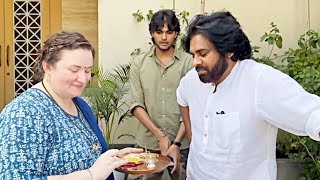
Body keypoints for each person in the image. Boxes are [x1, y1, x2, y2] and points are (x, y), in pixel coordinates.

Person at [176, 11, 320, 180]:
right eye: (193, 55)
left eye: (203, 54)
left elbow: (312, 113)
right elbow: (182, 97)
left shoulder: (260, 80)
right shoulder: (194, 79)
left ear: (229, 50)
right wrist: (194, 138)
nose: (195, 62)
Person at [0, 31, 142, 180]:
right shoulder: (24, 114)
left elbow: (89, 154)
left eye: (87, 71)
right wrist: (90, 175)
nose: (83, 79)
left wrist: (113, 159)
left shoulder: (79, 104)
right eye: (74, 70)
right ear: (48, 67)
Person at [129, 9, 192, 180]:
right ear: (152, 33)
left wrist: (176, 142)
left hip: (182, 144)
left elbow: (192, 105)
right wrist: (160, 136)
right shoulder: (138, 63)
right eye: (159, 32)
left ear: (176, 34)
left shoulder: (189, 63)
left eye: (169, 32)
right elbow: (136, 105)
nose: (164, 37)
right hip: (148, 144)